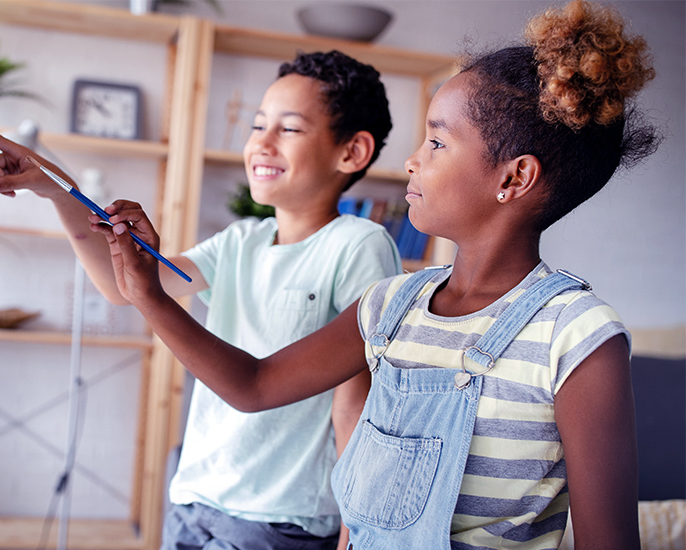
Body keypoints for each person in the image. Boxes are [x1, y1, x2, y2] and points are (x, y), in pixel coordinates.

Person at [94, 1, 661, 549]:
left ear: (514, 179)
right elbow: (254, 386)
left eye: (437, 142)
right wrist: (150, 296)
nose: (412, 160)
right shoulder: (389, 306)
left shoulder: (577, 335)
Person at [0, 50, 401, 550]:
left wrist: (354, 531)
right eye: (258, 125)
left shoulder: (361, 245)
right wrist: (54, 189)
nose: (260, 142)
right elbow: (118, 286)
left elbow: (354, 405)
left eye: (290, 129)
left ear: (352, 152)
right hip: (195, 503)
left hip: (281, 522)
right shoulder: (241, 241)